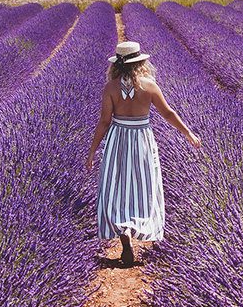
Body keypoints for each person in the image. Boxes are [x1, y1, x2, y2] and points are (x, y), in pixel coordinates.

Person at [86, 40, 201, 266]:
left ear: (117, 65)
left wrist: (92, 151)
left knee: (116, 188)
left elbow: (104, 121)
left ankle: (123, 235)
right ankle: (142, 226)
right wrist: (188, 133)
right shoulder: (149, 86)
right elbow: (168, 113)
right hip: (142, 140)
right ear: (140, 63)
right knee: (144, 186)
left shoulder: (110, 88)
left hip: (118, 139)